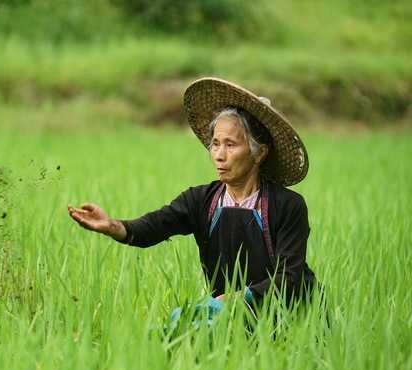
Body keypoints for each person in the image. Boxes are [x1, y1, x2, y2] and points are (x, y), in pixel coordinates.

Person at [68, 77, 317, 326]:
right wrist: (111, 225)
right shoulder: (202, 201)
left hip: (286, 316)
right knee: (172, 332)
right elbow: (154, 226)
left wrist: (237, 298)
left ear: (259, 152)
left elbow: (290, 278)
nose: (219, 155)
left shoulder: (287, 206)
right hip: (226, 312)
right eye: (215, 144)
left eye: (230, 145)